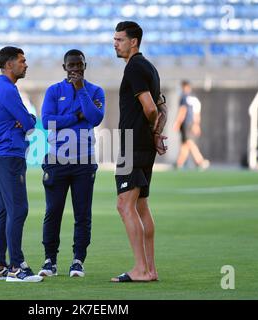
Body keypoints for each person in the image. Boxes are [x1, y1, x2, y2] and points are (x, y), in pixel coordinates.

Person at [37, 49, 105, 278]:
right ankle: (50, 260)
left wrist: (80, 91)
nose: (75, 69)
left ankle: (78, 260)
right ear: (64, 67)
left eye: (80, 65)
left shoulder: (95, 91)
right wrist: (76, 117)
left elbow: (95, 118)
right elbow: (48, 122)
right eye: (71, 65)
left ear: (85, 66)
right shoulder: (54, 91)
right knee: (53, 211)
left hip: (84, 161)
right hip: (57, 160)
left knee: (82, 214)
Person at [111, 21, 168, 282]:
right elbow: (161, 106)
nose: (115, 43)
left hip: (132, 143)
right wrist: (155, 134)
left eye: (120, 39)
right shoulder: (149, 67)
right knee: (141, 205)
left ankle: (141, 270)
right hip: (143, 144)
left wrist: (148, 127)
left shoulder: (134, 67)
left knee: (125, 204)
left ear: (133, 42)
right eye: (115, 39)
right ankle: (151, 269)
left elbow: (151, 108)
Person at [0, 46, 43, 282]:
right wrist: (28, 120)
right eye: (22, 60)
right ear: (9, 64)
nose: (25, 64)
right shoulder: (7, 90)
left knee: (6, 211)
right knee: (18, 209)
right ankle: (17, 268)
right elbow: (29, 123)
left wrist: (26, 120)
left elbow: (26, 121)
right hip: (9, 155)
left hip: (2, 154)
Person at [173, 80, 209, 170]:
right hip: (192, 123)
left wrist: (177, 123)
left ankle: (201, 161)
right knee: (185, 144)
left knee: (190, 143)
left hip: (186, 123)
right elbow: (197, 113)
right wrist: (197, 124)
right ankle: (179, 163)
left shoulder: (184, 97)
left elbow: (183, 110)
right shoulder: (194, 98)